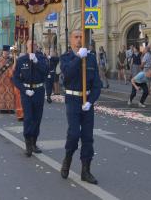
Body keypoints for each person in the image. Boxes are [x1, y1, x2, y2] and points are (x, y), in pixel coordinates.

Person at [59, 30, 101, 185]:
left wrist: (90, 101)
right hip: (72, 99)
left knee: (88, 137)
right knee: (74, 133)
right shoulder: (66, 57)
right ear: (71, 40)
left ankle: (86, 170)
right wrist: (78, 58)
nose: (78, 40)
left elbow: (97, 84)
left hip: (86, 101)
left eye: (81, 37)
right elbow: (67, 74)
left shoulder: (91, 58)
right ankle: (68, 158)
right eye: (76, 37)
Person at [12, 40, 48, 157]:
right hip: (27, 92)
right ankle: (28, 142)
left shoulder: (41, 58)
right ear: (26, 47)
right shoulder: (22, 60)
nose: (32, 47)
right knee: (28, 118)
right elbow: (16, 78)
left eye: (34, 45)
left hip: (38, 91)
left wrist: (36, 62)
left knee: (37, 118)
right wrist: (24, 89)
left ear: (37, 47)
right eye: (30, 46)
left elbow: (46, 72)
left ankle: (34, 142)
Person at [0, 45, 16, 113]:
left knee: (10, 94)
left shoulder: (11, 60)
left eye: (7, 52)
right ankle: (2, 108)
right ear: (2, 52)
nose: (6, 53)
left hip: (10, 79)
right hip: (1, 80)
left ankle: (10, 108)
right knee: (1, 94)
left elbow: (14, 68)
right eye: (5, 52)